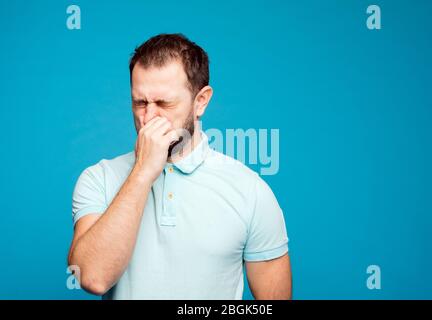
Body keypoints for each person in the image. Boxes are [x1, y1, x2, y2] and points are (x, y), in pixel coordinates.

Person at [68, 33, 291, 299]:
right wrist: (142, 173)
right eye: (140, 102)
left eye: (164, 103)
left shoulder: (251, 191)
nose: (149, 117)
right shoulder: (99, 179)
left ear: (201, 101)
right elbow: (93, 277)